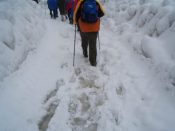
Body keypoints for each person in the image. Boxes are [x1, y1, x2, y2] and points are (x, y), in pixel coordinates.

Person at [74, 0, 105, 66]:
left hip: (83, 27)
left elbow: (76, 15)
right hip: (94, 28)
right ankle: (93, 62)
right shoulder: (96, 2)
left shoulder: (81, 2)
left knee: (84, 41)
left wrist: (75, 22)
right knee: (93, 45)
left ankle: (85, 53)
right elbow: (102, 13)